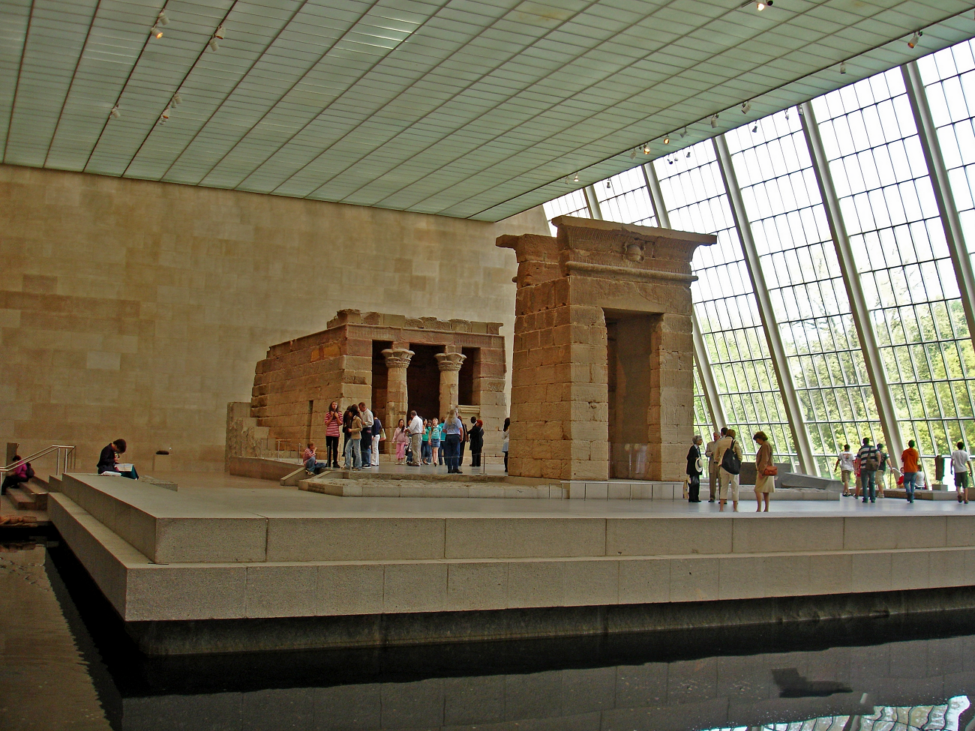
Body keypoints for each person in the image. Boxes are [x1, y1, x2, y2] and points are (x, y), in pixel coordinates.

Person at [714, 428, 742, 512]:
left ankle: (721, 507)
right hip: (732, 468)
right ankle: (735, 507)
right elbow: (740, 456)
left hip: (723, 466)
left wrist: (721, 460)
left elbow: (716, 456)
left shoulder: (720, 442)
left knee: (723, 487)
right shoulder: (735, 442)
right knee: (735, 487)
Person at [754, 431, 775, 512]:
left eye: (757, 440)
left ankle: (759, 508)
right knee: (766, 491)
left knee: (757, 489)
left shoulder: (765, 445)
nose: (757, 442)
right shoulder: (767, 444)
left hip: (764, 471)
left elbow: (764, 459)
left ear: (759, 439)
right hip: (768, 470)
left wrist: (761, 471)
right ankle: (766, 508)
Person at [857, 437, 880, 504]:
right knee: (872, 482)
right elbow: (878, 454)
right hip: (871, 468)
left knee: (864, 483)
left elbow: (858, 459)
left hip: (863, 468)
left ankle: (865, 498)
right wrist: (878, 463)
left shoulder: (861, 449)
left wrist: (857, 468)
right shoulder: (873, 448)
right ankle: (873, 498)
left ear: (863, 442)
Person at [442, 409, 465, 474]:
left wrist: (448, 432)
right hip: (455, 436)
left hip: (448, 436)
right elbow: (461, 429)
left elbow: (443, 430)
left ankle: (449, 469)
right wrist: (461, 437)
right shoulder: (457, 420)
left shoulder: (447, 420)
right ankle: (455, 468)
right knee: (456, 453)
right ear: (456, 414)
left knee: (449, 453)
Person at [343, 404, 363, 470]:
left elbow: (360, 428)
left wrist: (352, 430)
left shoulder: (357, 419)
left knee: (357, 451)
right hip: (352, 436)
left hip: (356, 437)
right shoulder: (352, 419)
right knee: (347, 449)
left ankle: (358, 466)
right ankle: (347, 464)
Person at [323, 402, 342, 468]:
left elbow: (340, 423)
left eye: (336, 404)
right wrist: (331, 417)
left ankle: (335, 462)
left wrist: (336, 417)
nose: (334, 406)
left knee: (335, 448)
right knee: (328, 448)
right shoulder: (328, 414)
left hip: (336, 433)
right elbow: (326, 423)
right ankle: (328, 461)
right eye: (333, 404)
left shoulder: (339, 414)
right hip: (329, 433)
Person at [705, 430, 721, 503]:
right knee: (712, 482)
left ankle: (722, 497)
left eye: (716, 436)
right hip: (712, 464)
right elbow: (706, 453)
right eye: (714, 436)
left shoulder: (721, 444)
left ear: (719, 436)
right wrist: (710, 453)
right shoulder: (710, 444)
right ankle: (712, 497)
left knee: (721, 482)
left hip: (719, 465)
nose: (714, 438)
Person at [686, 435, 703, 503]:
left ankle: (696, 496)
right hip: (693, 469)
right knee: (693, 483)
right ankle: (692, 497)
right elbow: (688, 457)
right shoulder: (693, 448)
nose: (701, 441)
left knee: (696, 483)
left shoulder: (698, 448)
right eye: (700, 440)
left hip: (696, 469)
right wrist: (694, 459)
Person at [358, 402, 374, 469]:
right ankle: (364, 461)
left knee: (366, 446)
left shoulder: (368, 413)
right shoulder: (364, 413)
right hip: (364, 430)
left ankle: (367, 462)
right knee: (363, 446)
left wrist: (364, 423)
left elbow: (371, 422)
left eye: (360, 408)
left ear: (363, 407)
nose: (360, 409)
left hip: (367, 429)